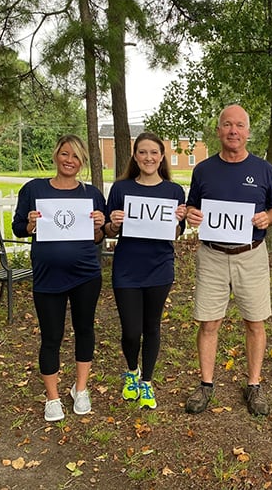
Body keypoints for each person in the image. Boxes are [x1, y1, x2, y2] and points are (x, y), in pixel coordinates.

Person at [184, 104, 272, 416]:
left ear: (248, 132)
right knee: (209, 322)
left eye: (239, 125)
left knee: (255, 322)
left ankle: (253, 384)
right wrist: (191, 215)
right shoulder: (203, 170)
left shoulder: (264, 169)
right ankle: (206, 384)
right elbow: (190, 208)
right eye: (227, 125)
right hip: (212, 255)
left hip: (250, 255)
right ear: (218, 131)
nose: (233, 131)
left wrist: (269, 217)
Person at [12, 134, 106, 422]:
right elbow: (18, 228)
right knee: (51, 336)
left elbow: (97, 238)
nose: (69, 161)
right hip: (48, 275)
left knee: (84, 330)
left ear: (82, 162)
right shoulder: (34, 189)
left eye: (76, 156)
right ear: (56, 155)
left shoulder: (91, 194)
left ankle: (80, 388)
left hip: (86, 274)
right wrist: (29, 224)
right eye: (65, 154)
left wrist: (100, 226)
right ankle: (52, 397)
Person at [104, 132, 187, 410]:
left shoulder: (174, 192)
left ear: (162, 157)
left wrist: (177, 220)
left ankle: (147, 382)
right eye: (142, 152)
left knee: (151, 326)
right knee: (130, 330)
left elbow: (175, 233)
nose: (148, 158)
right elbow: (106, 230)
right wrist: (113, 224)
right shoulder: (121, 189)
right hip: (127, 266)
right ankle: (132, 372)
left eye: (154, 152)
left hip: (159, 267)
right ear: (135, 156)